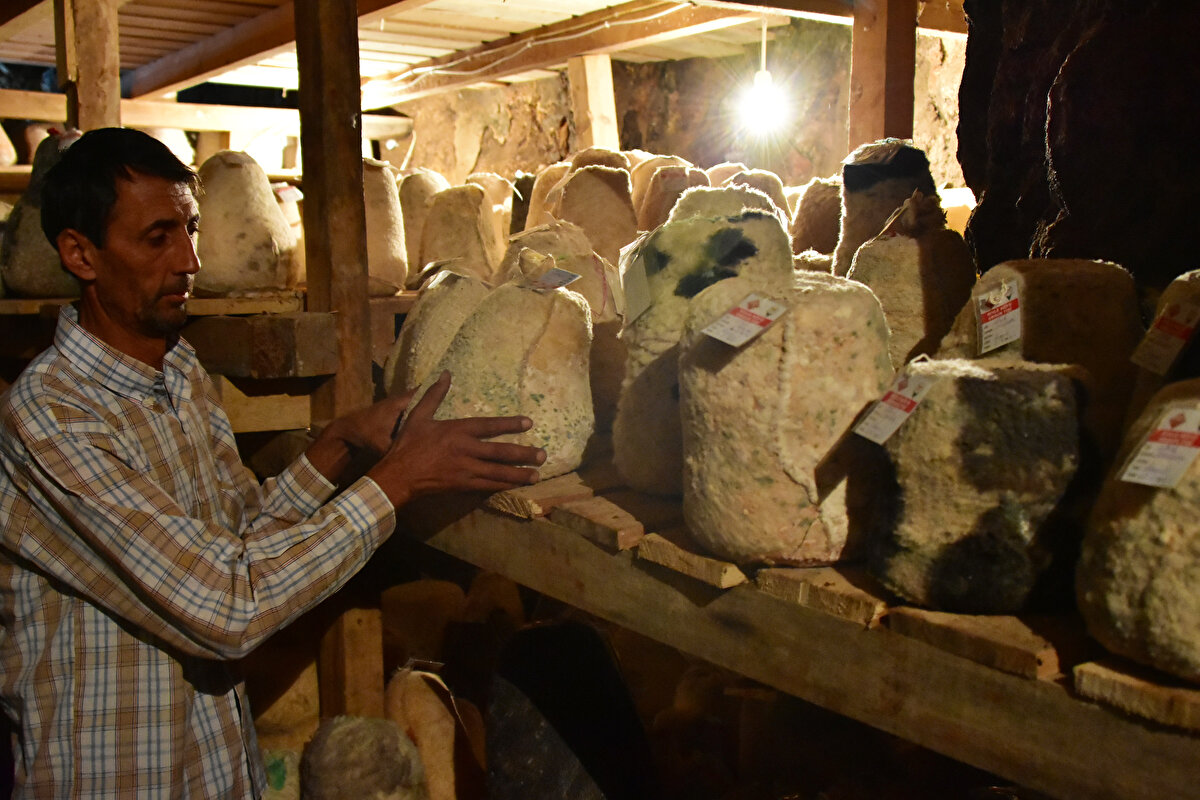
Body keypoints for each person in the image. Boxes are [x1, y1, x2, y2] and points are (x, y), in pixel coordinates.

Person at [0, 127, 545, 798]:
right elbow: (227, 607)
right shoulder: (51, 415)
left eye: (191, 229)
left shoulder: (179, 372)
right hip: (115, 776)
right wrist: (396, 481)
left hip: (214, 766)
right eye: (158, 237)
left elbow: (238, 538)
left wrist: (338, 444)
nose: (190, 261)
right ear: (80, 255)